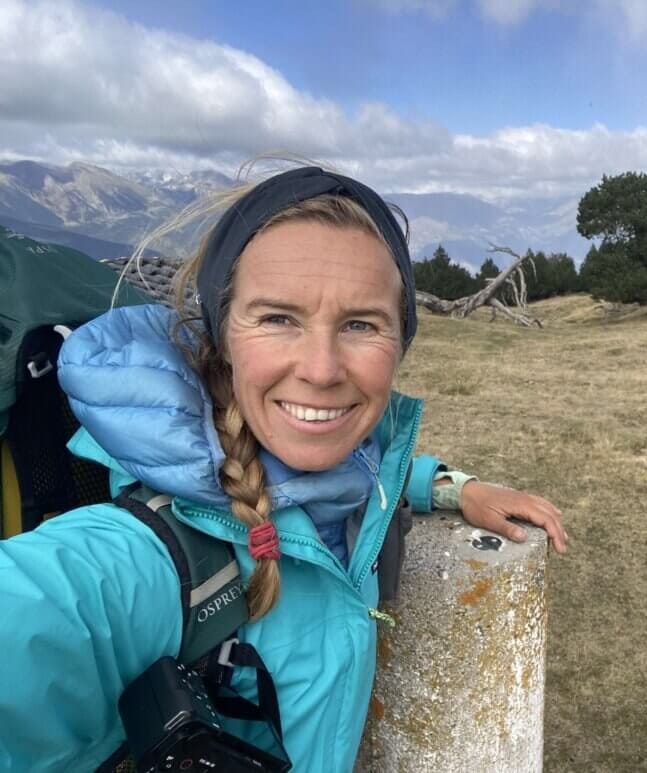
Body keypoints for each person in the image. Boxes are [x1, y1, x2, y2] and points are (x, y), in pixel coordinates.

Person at [0, 166, 567, 771]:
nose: (322, 369)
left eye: (360, 324)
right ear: (220, 338)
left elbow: (352, 474)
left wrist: (450, 486)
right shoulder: (145, 562)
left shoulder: (337, 480)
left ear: (399, 343)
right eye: (277, 318)